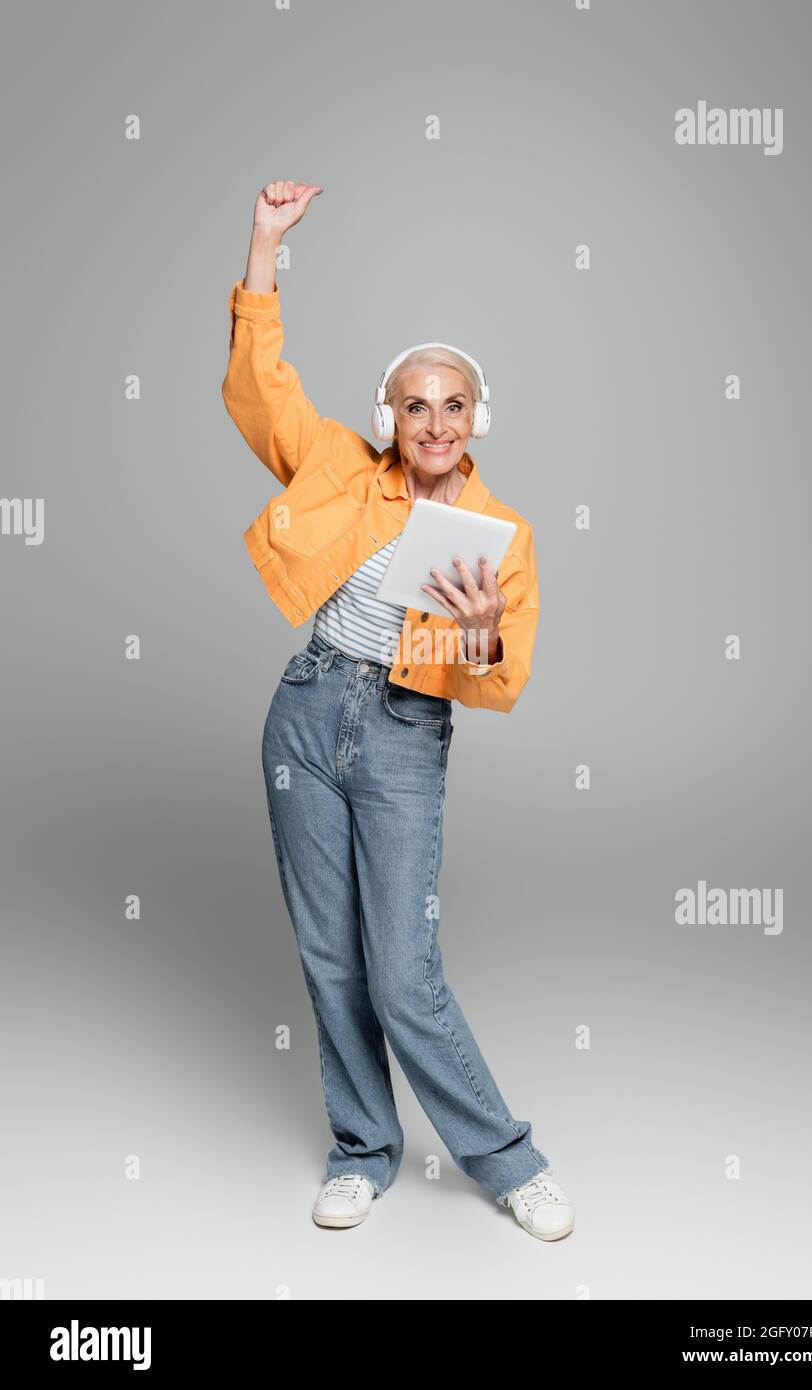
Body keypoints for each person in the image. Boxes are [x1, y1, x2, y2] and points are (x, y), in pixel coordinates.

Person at [221, 179, 574, 1241]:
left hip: (404, 734)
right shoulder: (339, 466)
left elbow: (500, 677)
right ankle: (364, 1150)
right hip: (306, 711)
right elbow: (259, 391)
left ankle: (508, 1160)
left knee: (404, 972)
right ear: (391, 417)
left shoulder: (501, 528)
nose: (433, 421)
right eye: (415, 404)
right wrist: (265, 247)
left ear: (477, 419)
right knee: (330, 956)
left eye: (453, 404)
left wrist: (475, 640)